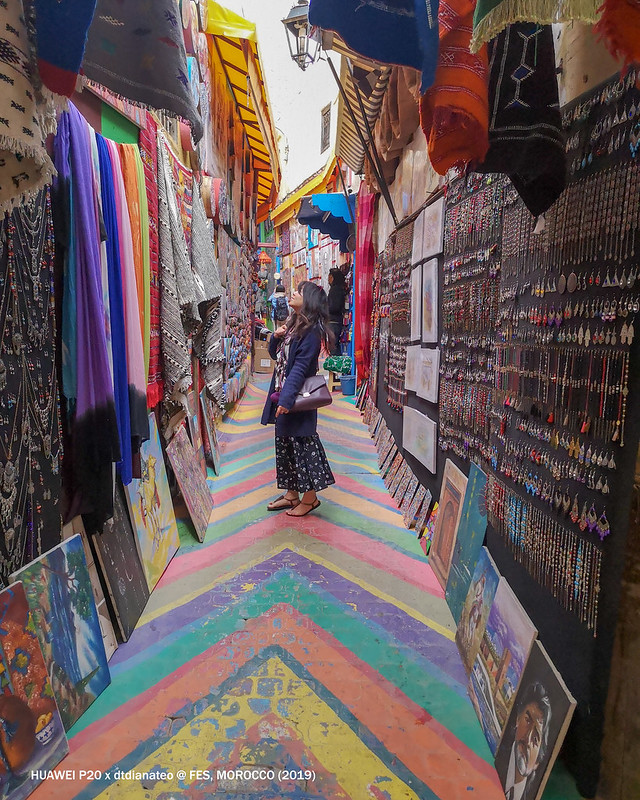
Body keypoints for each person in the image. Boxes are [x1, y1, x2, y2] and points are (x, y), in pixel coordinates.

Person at [261, 281, 335, 517]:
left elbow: (300, 368)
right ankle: (292, 494)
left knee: (304, 447)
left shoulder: (311, 333)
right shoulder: (292, 326)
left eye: (299, 292)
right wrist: (275, 336)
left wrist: (286, 399)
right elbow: (277, 356)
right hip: (283, 393)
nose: (293, 292)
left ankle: (310, 499)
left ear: (309, 301)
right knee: (285, 445)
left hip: (296, 399)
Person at [502, 682, 551, 800]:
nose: (527, 739)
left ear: (537, 762)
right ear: (518, 719)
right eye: (527, 720)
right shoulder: (498, 759)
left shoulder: (528, 795)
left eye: (535, 739)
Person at [327, 267, 347, 356]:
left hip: (334, 322)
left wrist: (325, 308)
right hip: (335, 321)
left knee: (333, 346)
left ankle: (335, 367)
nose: (328, 279)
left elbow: (334, 307)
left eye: (329, 277)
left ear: (332, 278)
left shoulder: (335, 290)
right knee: (334, 345)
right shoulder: (339, 289)